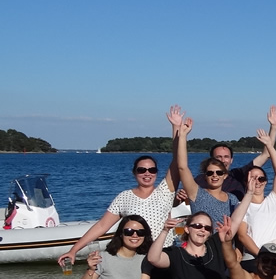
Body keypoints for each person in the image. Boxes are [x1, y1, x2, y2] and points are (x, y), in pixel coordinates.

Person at [58, 106, 183, 266]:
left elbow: (178, 160)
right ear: (134, 173)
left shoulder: (165, 191)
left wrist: (176, 128)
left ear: (156, 172)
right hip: (136, 257)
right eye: (141, 170)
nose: (147, 173)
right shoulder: (124, 197)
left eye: (151, 170)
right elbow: (102, 225)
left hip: (163, 254)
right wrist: (74, 250)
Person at [233, 125, 276, 279]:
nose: (257, 182)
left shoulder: (273, 200)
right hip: (254, 257)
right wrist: (263, 257)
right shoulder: (242, 206)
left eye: (261, 178)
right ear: (246, 182)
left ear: (266, 182)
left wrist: (270, 146)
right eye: (253, 178)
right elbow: (242, 236)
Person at [193, 106, 276, 200]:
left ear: (231, 160)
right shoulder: (200, 180)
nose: (223, 160)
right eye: (218, 157)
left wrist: (273, 127)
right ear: (211, 159)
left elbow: (265, 155)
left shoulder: (238, 174)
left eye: (226, 157)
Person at [175, 117, 239, 228]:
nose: (214, 175)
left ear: (225, 175)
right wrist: (183, 136)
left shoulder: (232, 199)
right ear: (205, 176)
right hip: (201, 242)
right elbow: (182, 167)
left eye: (219, 173)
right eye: (210, 173)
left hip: (224, 244)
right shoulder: (196, 193)